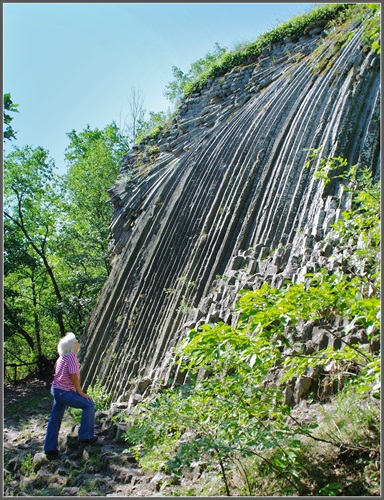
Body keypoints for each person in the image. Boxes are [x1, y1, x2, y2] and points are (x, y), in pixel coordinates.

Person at [44, 332, 97, 458]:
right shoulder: (71, 357)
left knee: (55, 417)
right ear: (72, 345)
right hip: (64, 391)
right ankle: (86, 436)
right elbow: (74, 377)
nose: (78, 343)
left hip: (56, 389)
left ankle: (49, 448)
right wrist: (80, 393)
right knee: (88, 404)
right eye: (76, 341)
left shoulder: (61, 357)